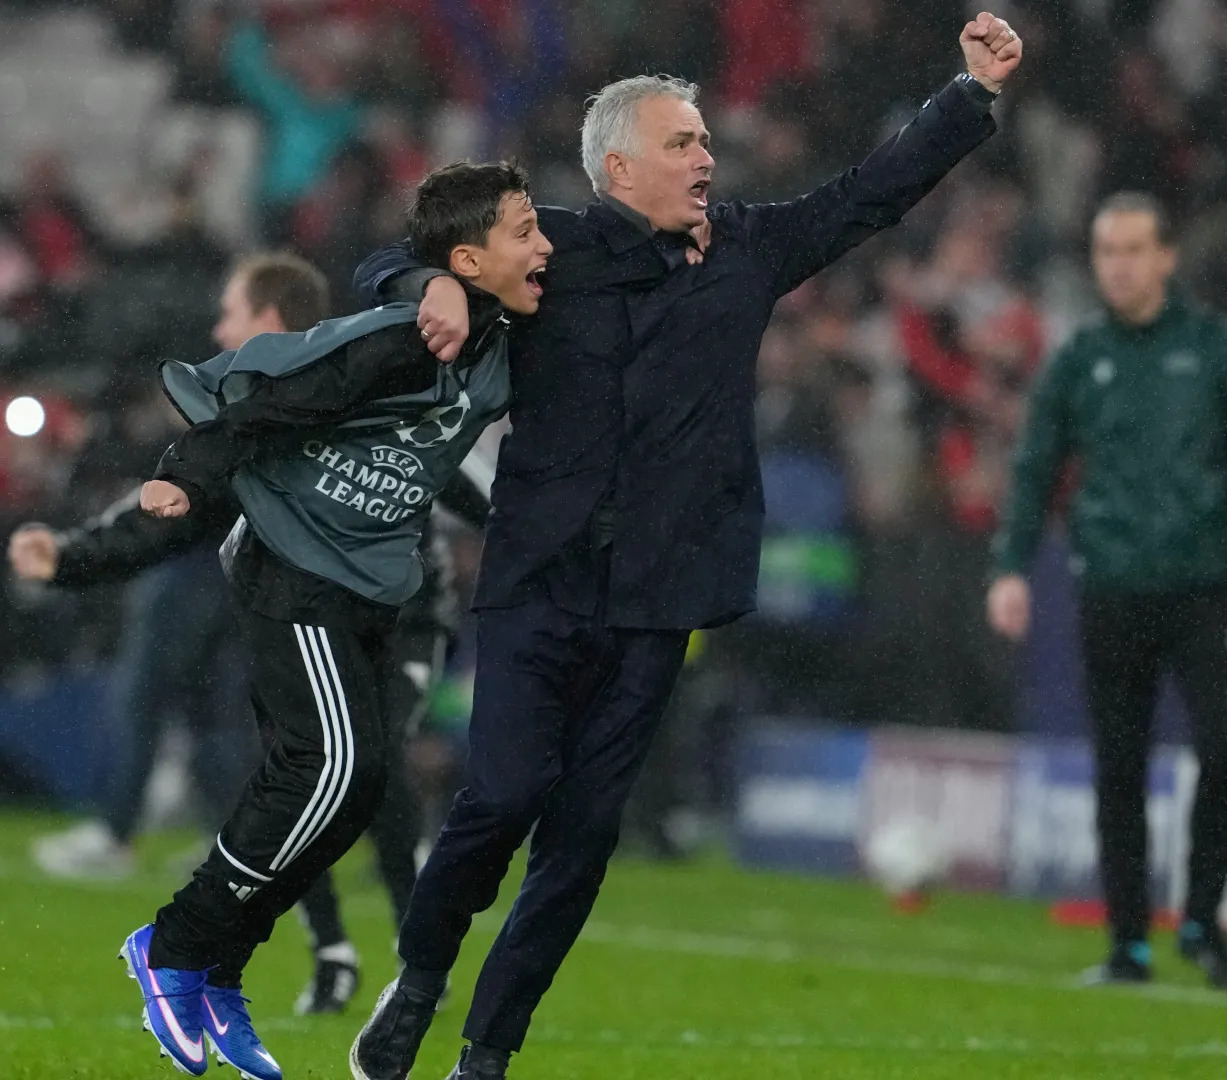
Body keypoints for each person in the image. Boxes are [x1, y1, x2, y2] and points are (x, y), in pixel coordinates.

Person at [349, 15, 1024, 1080]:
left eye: (705, 140)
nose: (707, 156)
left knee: (582, 839)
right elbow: (390, 258)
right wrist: (430, 283)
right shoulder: (548, 247)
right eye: (682, 142)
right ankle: (421, 978)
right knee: (502, 798)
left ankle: (486, 1054)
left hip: (661, 594)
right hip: (541, 576)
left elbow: (870, 194)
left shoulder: (747, 248)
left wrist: (968, 94)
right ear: (618, 166)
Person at [117, 161, 549, 1080]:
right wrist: (184, 474)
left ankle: (218, 968)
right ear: (468, 261)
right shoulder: (402, 343)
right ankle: (173, 944)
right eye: (525, 231)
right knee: (340, 764)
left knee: (350, 790)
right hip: (294, 560)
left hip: (363, 581)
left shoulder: (501, 345)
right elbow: (282, 399)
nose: (545, 246)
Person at [15, 253, 489, 1016]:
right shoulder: (263, 413)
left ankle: (415, 962)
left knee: (367, 773)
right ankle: (330, 951)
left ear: (268, 321)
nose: (218, 331)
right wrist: (72, 559)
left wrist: (531, 526)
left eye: (230, 313)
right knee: (313, 774)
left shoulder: (361, 373)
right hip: (319, 616)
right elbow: (178, 513)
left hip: (401, 619)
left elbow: (453, 467)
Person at [987, 191, 1227, 991]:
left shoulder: (1221, 349)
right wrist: (1011, 566)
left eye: (1132, 250)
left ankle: (1203, 923)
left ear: (1166, 257)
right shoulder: (1079, 355)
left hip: (1207, 586)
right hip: (1112, 586)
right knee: (1118, 767)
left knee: (1222, 756)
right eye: (1106, 252)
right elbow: (1034, 466)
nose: (1118, 267)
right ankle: (1128, 942)